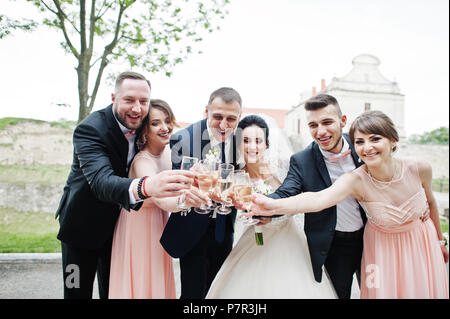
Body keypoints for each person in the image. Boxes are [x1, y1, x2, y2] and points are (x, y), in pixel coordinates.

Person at [249, 110, 449, 299]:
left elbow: (430, 202)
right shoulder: (355, 180)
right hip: (382, 252)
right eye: (359, 142)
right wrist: (271, 204)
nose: (367, 147)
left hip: (422, 245)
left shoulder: (420, 168)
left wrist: (440, 242)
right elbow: (318, 199)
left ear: (393, 140)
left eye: (375, 139)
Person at [55, 72, 194, 299]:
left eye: (143, 101)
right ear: (114, 97)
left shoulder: (143, 123)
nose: (137, 108)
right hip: (81, 228)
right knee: (75, 291)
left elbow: (164, 138)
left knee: (115, 292)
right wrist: (148, 185)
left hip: (119, 230)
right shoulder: (89, 130)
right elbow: (101, 182)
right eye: (129, 100)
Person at [206, 115, 337, 298]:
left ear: (266, 144)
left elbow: (297, 205)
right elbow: (218, 197)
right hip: (253, 240)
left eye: (258, 141)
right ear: (238, 144)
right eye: (246, 140)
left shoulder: (282, 170)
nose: (252, 146)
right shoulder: (234, 178)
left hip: (289, 242)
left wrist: (275, 215)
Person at [253, 93, 366, 299]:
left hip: (373, 238)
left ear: (342, 121)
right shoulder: (302, 160)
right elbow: (286, 192)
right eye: (313, 125)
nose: (320, 131)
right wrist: (266, 206)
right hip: (335, 245)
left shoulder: (363, 146)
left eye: (327, 122)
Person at [109, 99, 207, 298]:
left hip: (159, 226)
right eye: (155, 123)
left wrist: (193, 176)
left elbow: (176, 186)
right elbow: (161, 200)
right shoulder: (142, 160)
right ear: (144, 129)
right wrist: (186, 201)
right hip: (138, 228)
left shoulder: (170, 153)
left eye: (167, 120)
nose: (165, 127)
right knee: (142, 281)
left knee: (157, 281)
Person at [160, 87, 243, 299]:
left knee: (218, 290)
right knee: (193, 293)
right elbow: (181, 185)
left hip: (224, 227)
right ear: (205, 111)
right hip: (193, 227)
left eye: (231, 119)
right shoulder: (183, 139)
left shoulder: (241, 140)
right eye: (218, 117)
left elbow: (240, 176)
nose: (224, 125)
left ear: (239, 117)